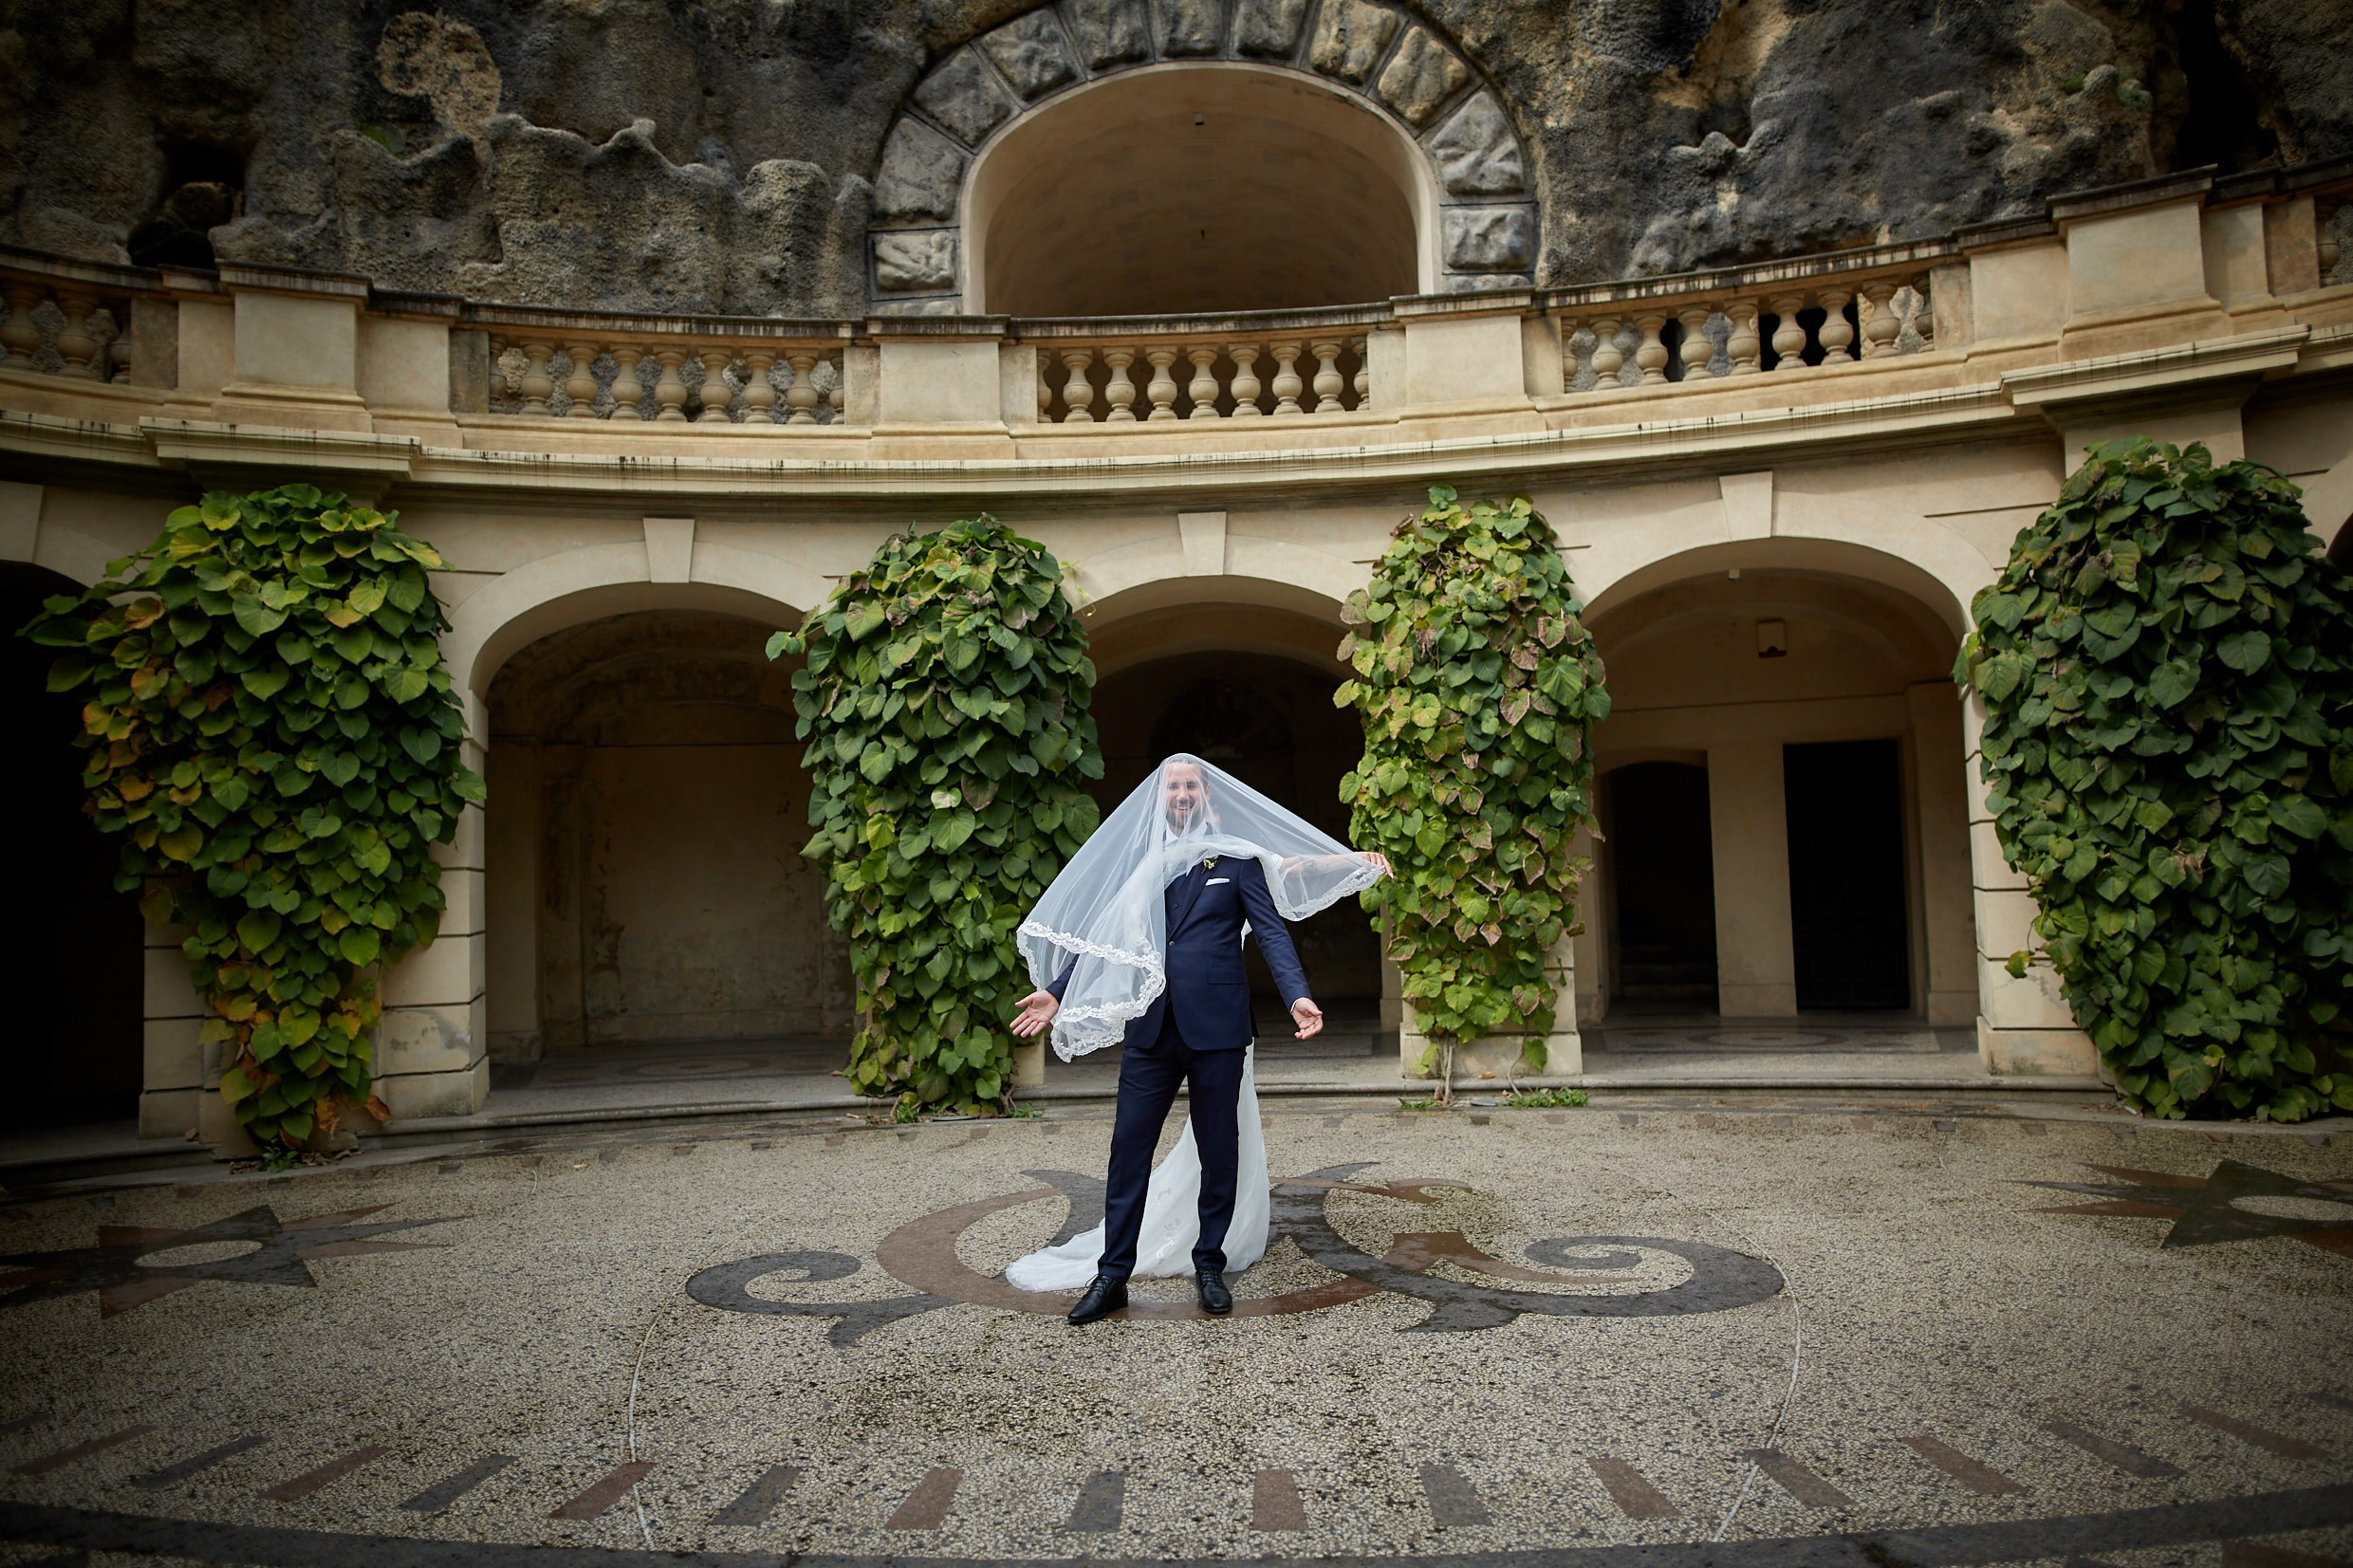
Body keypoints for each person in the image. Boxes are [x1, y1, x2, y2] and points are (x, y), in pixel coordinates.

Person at [1008, 753, 1388, 1323]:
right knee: (1127, 1152)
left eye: (1191, 786)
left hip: (1218, 1028)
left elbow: (1272, 933)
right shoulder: (1143, 861)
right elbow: (1108, 941)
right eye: (1173, 787)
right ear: (1161, 798)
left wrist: (1297, 996)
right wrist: (1059, 992)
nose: (1182, 794)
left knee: (1219, 1149)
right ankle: (1112, 1275)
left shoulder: (1238, 861)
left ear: (1206, 797)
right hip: (1152, 1029)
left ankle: (1209, 1263)